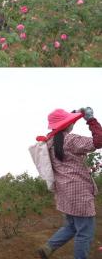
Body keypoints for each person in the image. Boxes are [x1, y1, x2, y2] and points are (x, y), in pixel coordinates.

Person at [37, 107, 102, 259]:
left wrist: (74, 114)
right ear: (67, 124)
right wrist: (91, 120)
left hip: (64, 192)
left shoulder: (49, 141)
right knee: (85, 233)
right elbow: (99, 141)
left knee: (72, 226)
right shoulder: (70, 140)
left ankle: (49, 247)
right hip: (79, 194)